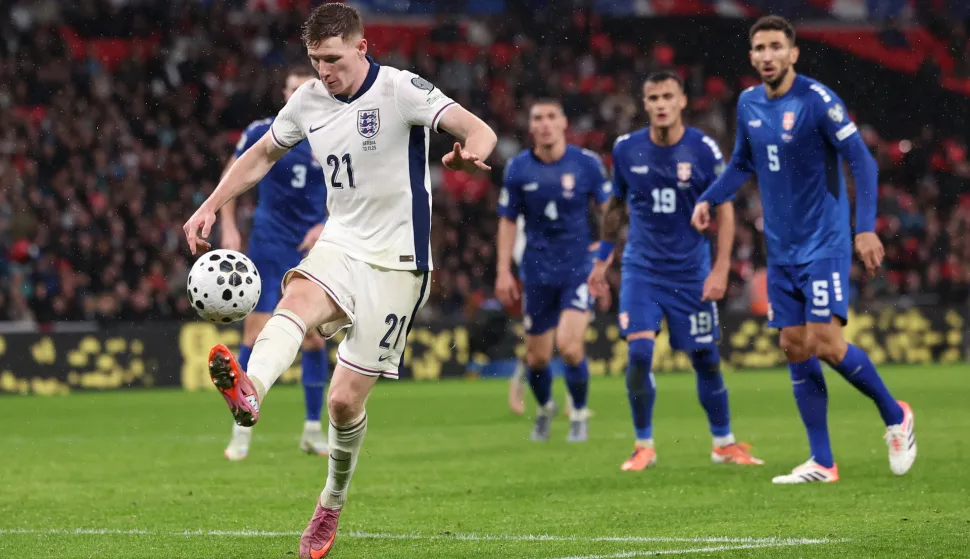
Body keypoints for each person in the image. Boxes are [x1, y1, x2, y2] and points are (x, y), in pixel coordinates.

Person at [182, 4, 497, 557]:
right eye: (315, 60)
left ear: (361, 47)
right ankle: (251, 391)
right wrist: (210, 204)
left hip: (399, 262)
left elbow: (479, 129)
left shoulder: (400, 89)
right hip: (341, 242)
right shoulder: (307, 100)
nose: (324, 71)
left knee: (344, 404)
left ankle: (330, 501)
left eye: (332, 59)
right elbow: (261, 154)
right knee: (297, 298)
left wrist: (472, 154)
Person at [691, 15, 917, 484]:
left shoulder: (817, 100)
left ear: (793, 53)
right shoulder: (749, 102)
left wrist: (864, 229)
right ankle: (822, 461)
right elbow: (742, 164)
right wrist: (709, 198)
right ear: (751, 56)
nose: (767, 56)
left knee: (825, 343)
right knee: (793, 345)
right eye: (760, 48)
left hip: (824, 242)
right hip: (782, 248)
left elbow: (862, 161)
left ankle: (896, 415)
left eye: (776, 46)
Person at [588, 71, 763, 472]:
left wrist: (720, 269)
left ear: (682, 101)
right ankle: (643, 445)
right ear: (645, 104)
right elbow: (616, 206)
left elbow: (725, 210)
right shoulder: (627, 149)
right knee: (639, 353)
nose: (661, 104)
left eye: (668, 96)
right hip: (642, 271)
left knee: (706, 359)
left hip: (690, 273)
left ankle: (723, 443)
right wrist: (602, 258)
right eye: (654, 98)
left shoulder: (702, 149)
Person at [218, 66, 330, 462]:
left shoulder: (333, 134)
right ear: (284, 94)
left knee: (314, 338)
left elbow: (355, 192)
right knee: (256, 330)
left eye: (305, 89)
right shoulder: (262, 132)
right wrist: (228, 225)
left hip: (313, 248)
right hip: (269, 243)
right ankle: (241, 429)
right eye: (292, 89)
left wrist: (325, 224)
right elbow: (232, 177)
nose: (297, 95)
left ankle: (313, 430)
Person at [495, 99, 611, 443]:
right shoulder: (518, 168)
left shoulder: (586, 164)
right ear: (531, 126)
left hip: (578, 268)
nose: (545, 124)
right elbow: (507, 221)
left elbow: (609, 210)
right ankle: (546, 407)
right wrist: (503, 270)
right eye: (538, 118)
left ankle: (579, 413)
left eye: (551, 117)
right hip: (536, 271)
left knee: (570, 347)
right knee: (537, 359)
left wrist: (604, 255)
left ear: (563, 123)